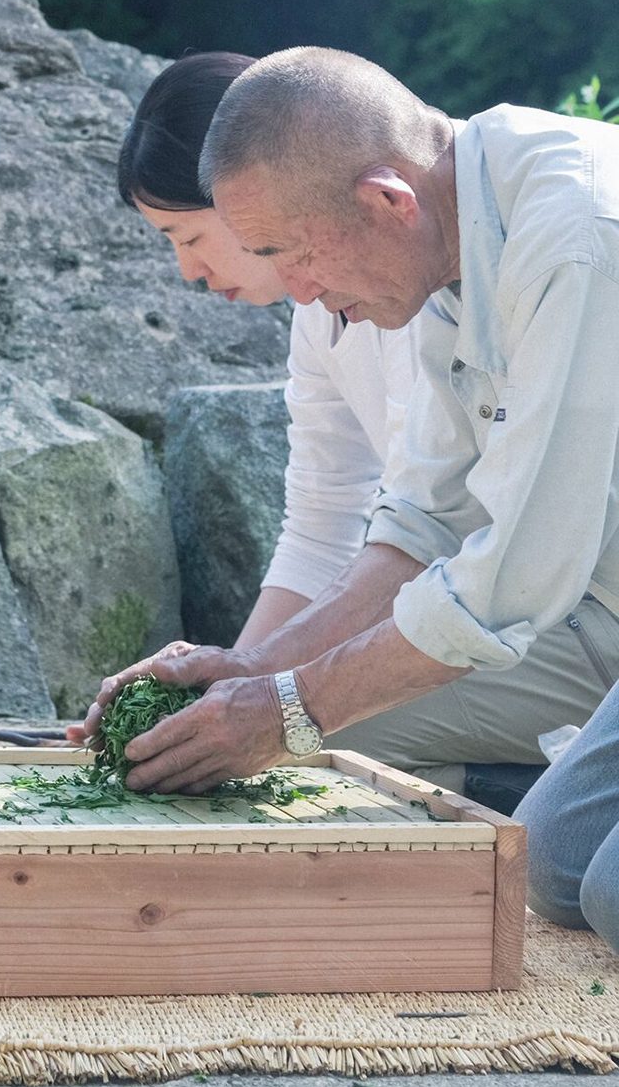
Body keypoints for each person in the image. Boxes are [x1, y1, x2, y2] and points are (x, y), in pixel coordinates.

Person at [78, 46, 619, 946]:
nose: (297, 292)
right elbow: (418, 521)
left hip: (583, 620)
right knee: (561, 869)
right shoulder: (450, 242)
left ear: (384, 201)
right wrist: (245, 670)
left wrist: (290, 711)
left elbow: (509, 586)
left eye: (289, 252)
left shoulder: (576, 240)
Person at [115, 52, 420, 652]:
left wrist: (255, 685)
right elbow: (321, 527)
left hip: (549, 616)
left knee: (298, 711)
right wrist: (232, 671)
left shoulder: (422, 279)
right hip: (490, 613)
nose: (188, 270)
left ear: (246, 191)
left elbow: (432, 536)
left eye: (190, 236)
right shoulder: (315, 316)